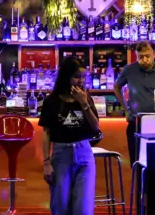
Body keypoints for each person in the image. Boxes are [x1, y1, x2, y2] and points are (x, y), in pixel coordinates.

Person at [38, 56, 100, 215]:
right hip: (60, 154)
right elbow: (46, 132)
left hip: (84, 153)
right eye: (77, 77)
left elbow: (95, 126)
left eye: (83, 77)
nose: (81, 81)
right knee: (60, 206)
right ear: (66, 77)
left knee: (83, 209)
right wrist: (46, 162)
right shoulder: (51, 102)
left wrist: (84, 103)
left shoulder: (86, 98)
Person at [114, 40, 155, 166]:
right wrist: (125, 109)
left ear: (154, 54)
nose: (144, 60)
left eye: (147, 56)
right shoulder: (129, 70)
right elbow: (116, 87)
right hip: (136, 123)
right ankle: (137, 185)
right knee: (137, 162)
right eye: (140, 57)